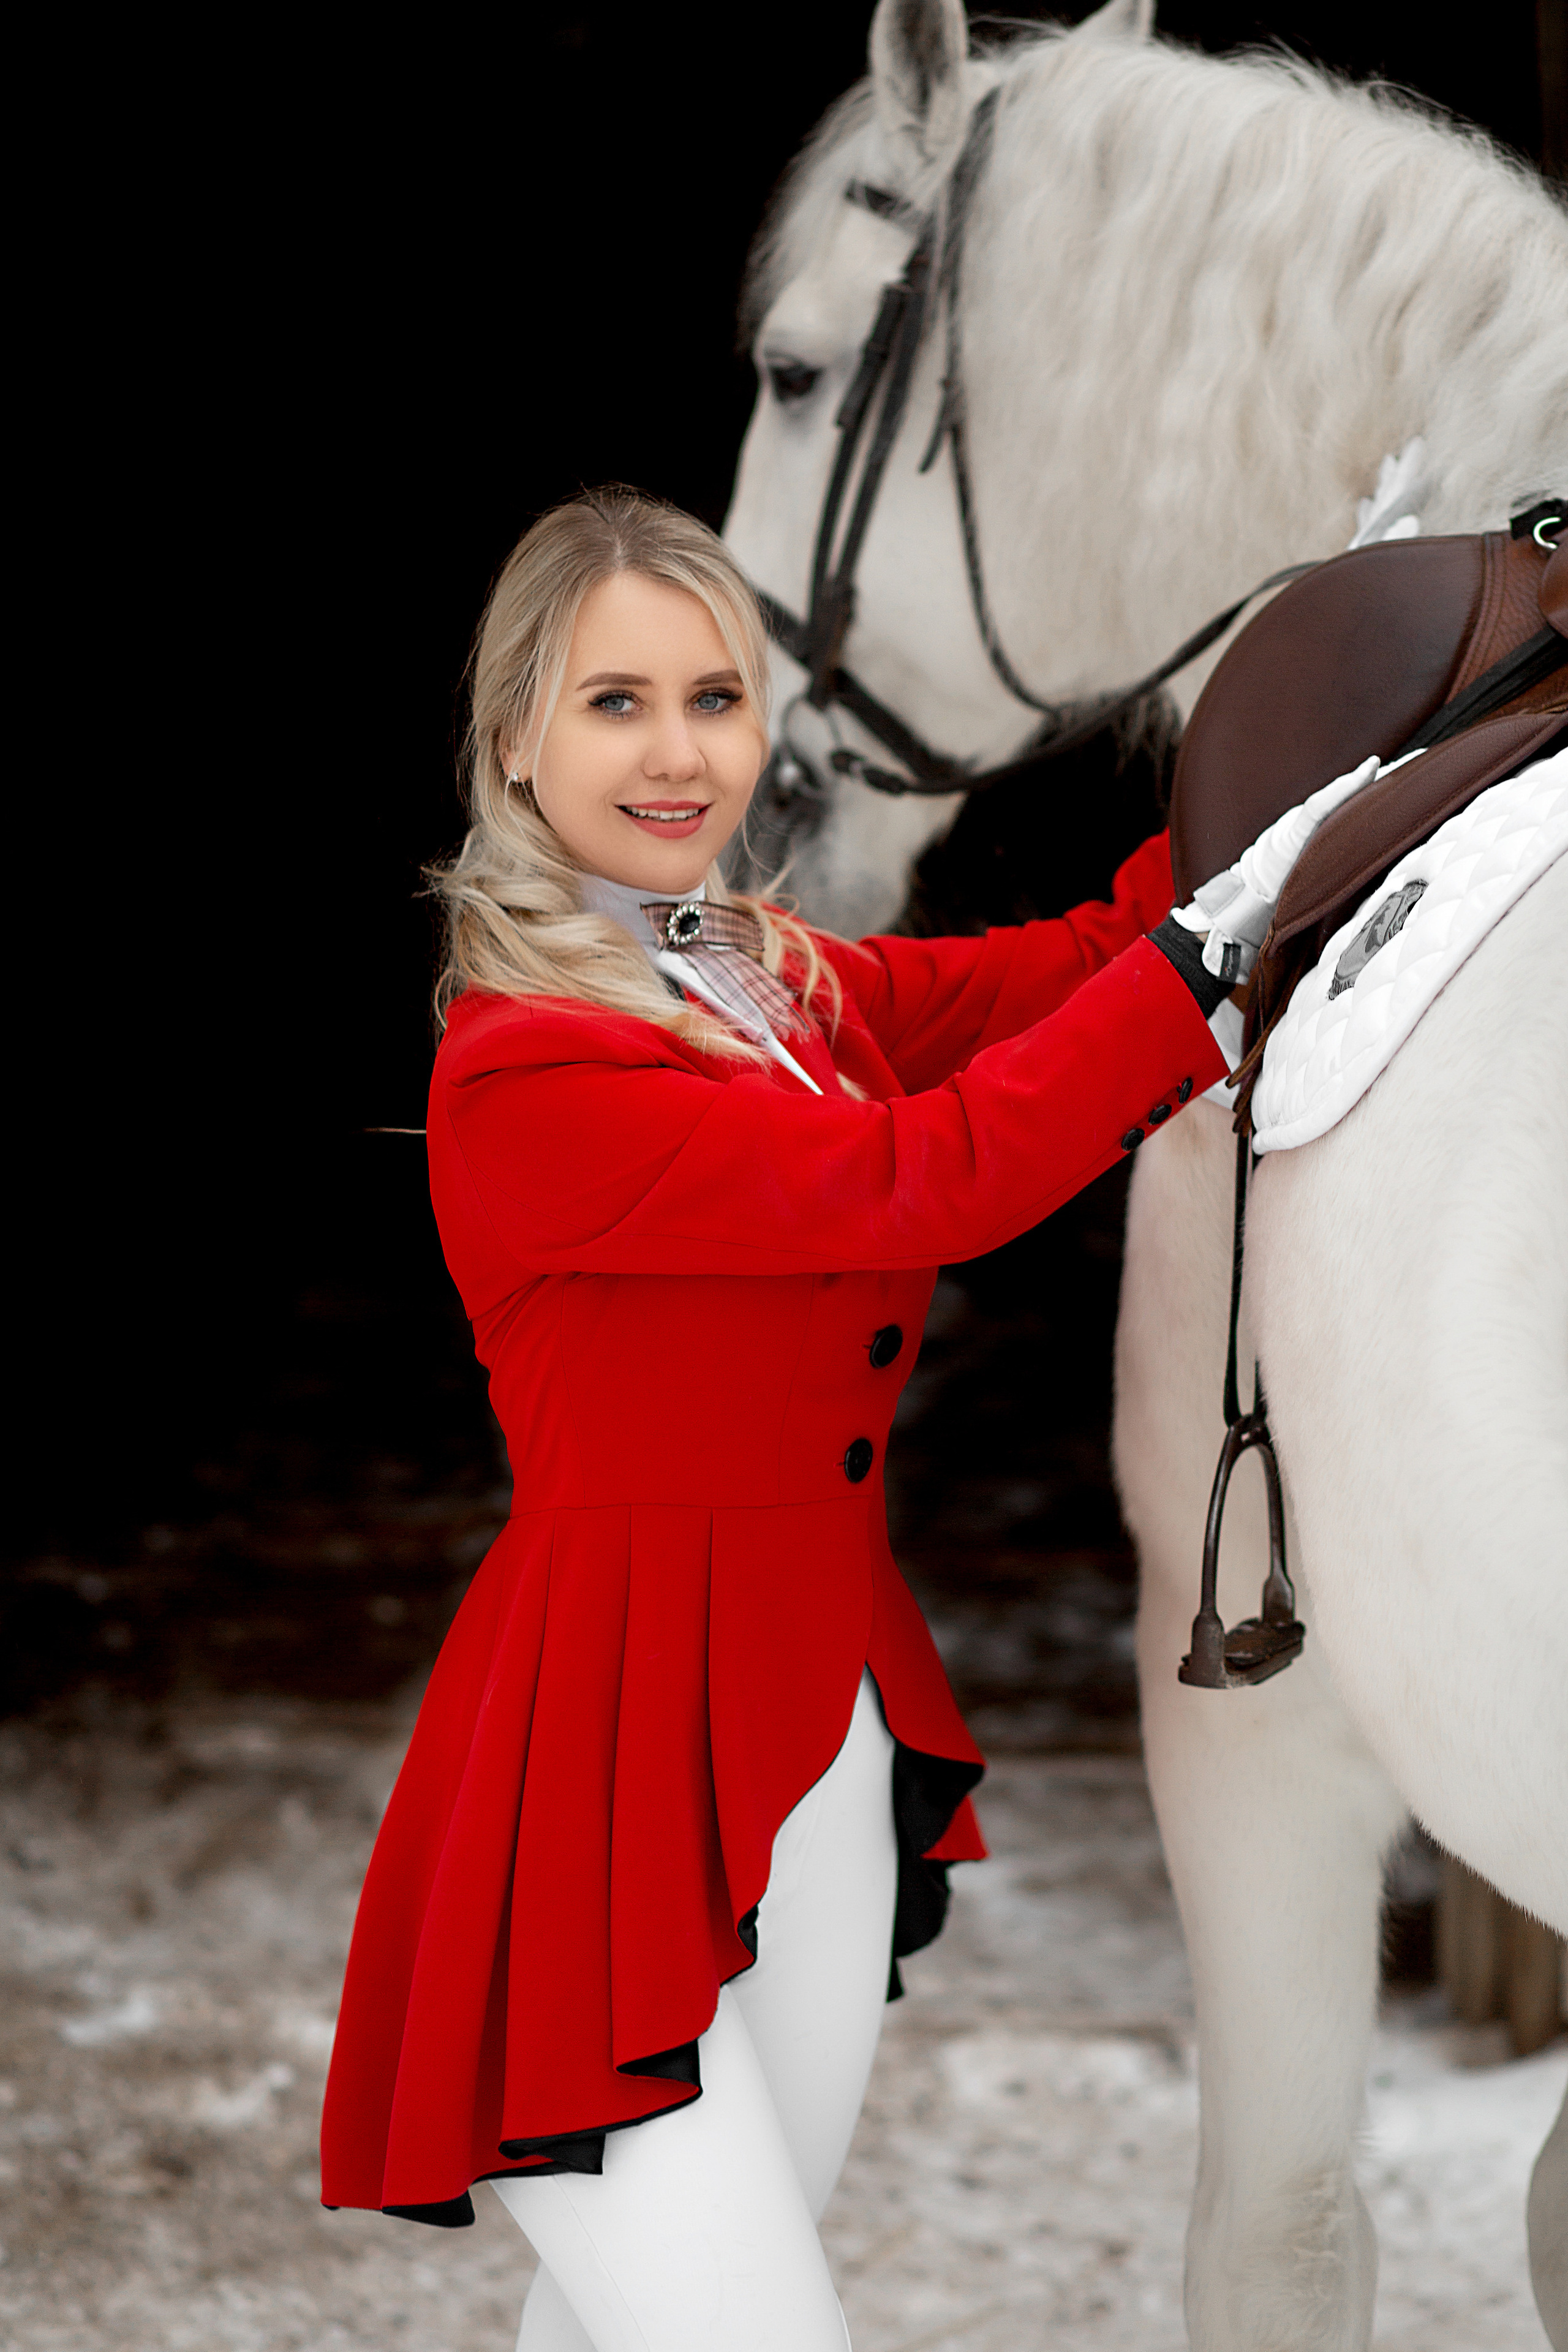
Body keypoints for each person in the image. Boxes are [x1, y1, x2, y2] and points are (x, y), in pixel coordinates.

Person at [318, 486, 1355, 2351]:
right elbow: (917, 1177)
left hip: (816, 1750)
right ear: (514, 742)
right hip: (602, 1777)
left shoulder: (751, 970)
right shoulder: (532, 1065)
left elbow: (1050, 968)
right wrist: (1199, 979)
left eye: (714, 698)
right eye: (613, 701)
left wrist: (1289, 758)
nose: (675, 750)